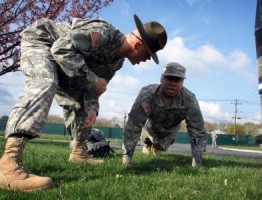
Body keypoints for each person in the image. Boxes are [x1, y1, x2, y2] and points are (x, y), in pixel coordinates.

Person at [0, 15, 167, 191]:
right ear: (137, 45)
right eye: (148, 54)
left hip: (64, 61)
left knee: (84, 106)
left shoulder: (117, 62)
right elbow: (61, 49)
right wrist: (92, 81)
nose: (147, 59)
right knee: (45, 81)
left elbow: (94, 88)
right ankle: (8, 163)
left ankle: (79, 151)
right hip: (43, 42)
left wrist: (93, 107)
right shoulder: (104, 34)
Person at [122, 62, 207, 168]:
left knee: (161, 147)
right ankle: (148, 143)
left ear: (182, 82)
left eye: (177, 80)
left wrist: (197, 163)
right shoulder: (147, 94)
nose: (173, 83)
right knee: (146, 138)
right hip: (150, 129)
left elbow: (198, 132)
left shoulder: (189, 99)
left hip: (169, 132)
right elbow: (133, 124)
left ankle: (155, 147)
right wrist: (127, 157)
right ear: (161, 78)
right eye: (169, 78)